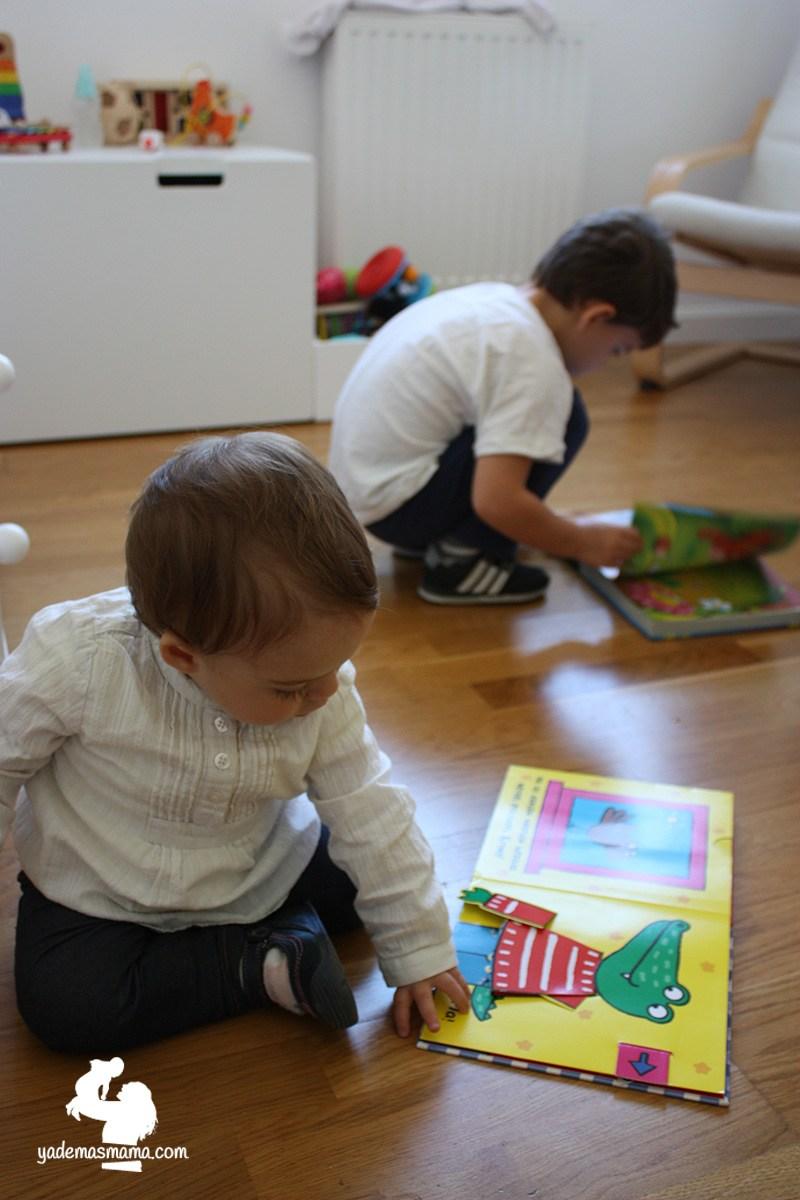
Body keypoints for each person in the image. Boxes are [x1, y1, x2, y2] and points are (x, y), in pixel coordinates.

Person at [1, 432, 469, 1054]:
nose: (328, 691)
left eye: (340, 665)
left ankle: (272, 939)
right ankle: (256, 964)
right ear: (182, 654)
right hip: (102, 889)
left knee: (363, 882)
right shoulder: (76, 658)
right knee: (70, 1007)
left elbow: (371, 806)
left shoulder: (318, 686)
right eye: (293, 686)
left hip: (258, 861)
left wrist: (418, 947)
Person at [328, 208, 677, 605]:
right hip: (401, 509)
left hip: (369, 497)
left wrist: (553, 525)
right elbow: (497, 501)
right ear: (597, 317)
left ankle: (445, 538)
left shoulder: (496, 301)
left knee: (528, 420)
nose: (606, 363)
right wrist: (579, 541)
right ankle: (462, 561)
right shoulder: (533, 360)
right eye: (617, 350)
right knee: (567, 417)